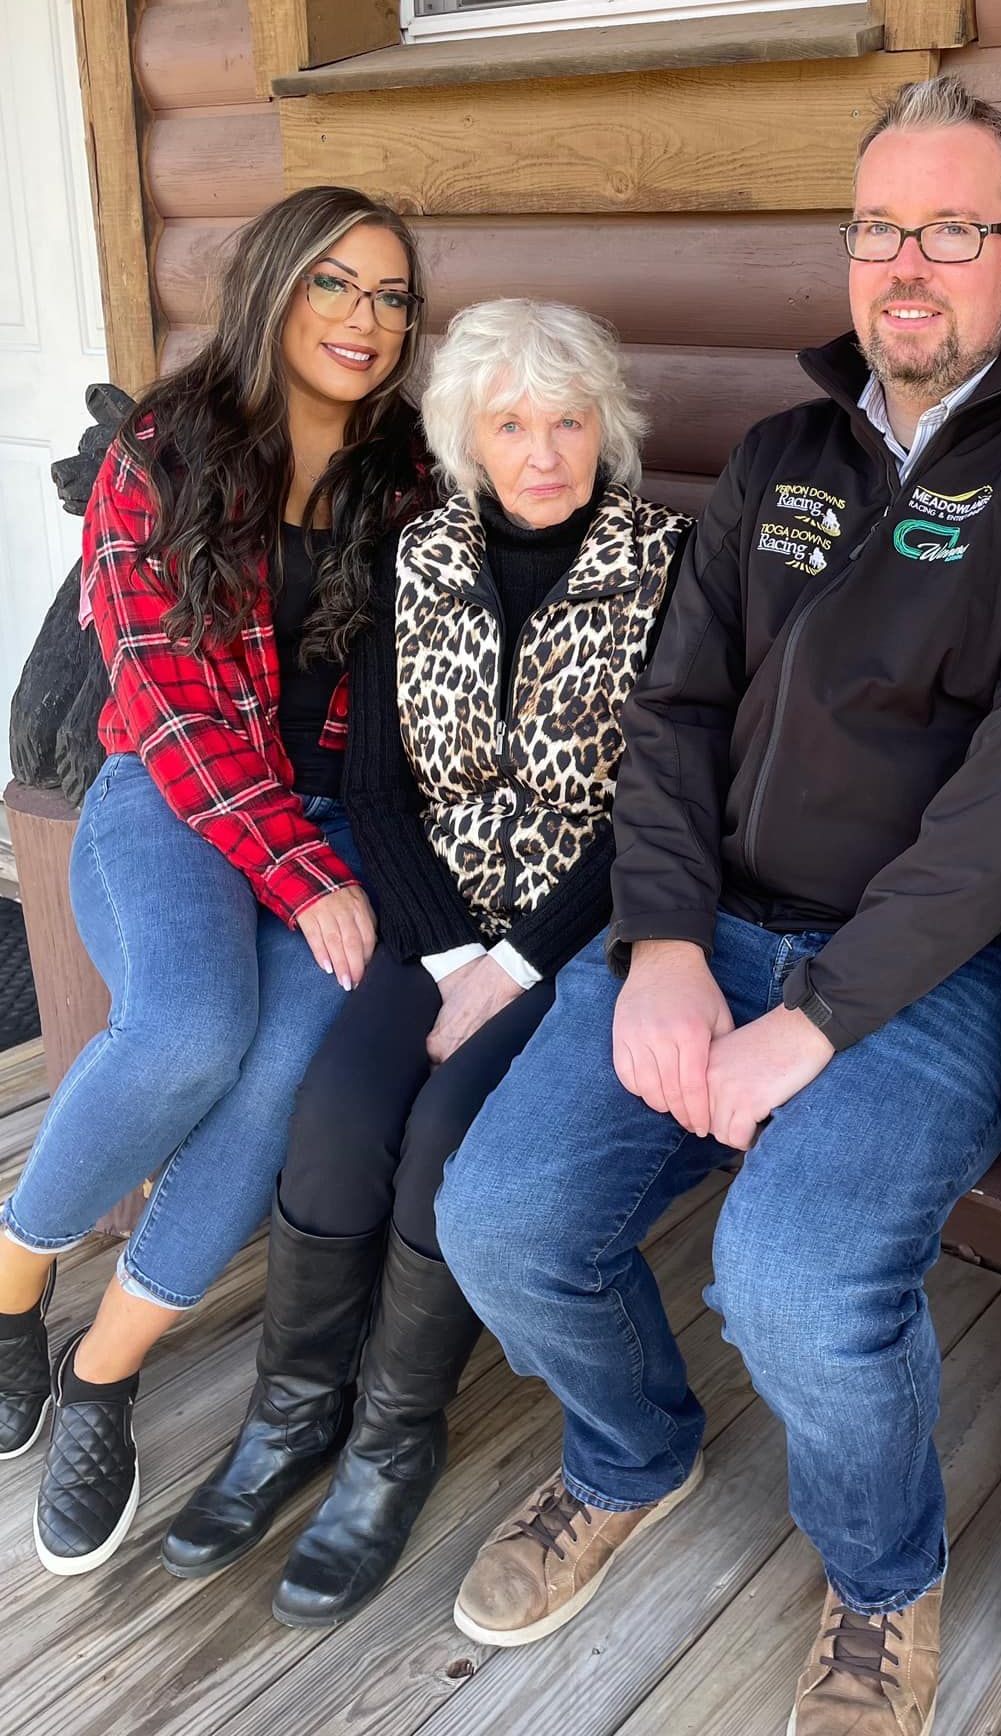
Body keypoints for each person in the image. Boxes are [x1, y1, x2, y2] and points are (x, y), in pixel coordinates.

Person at [435, 79, 1001, 1730]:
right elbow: (674, 718)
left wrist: (821, 1017)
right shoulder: (782, 455)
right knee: (501, 1218)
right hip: (710, 923)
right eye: (877, 229)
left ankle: (882, 1580)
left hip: (925, 970)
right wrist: (664, 947)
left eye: (950, 230)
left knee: (790, 1278)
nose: (907, 263)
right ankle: (629, 1456)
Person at [163, 300, 691, 1626]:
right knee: (340, 1113)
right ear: (466, 438)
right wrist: (452, 949)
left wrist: (512, 966)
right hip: (434, 915)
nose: (543, 451)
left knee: (444, 1138)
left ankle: (395, 1440)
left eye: (568, 420)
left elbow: (658, 808)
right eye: (510, 424)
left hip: (574, 935)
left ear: (607, 427)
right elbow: (377, 790)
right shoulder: (421, 557)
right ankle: (294, 1414)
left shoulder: (669, 567)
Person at [0, 186, 428, 1577]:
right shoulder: (162, 453)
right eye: (335, 283)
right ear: (272, 286)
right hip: (175, 798)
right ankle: (10, 1290)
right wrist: (298, 874)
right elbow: (174, 702)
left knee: (274, 1076)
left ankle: (101, 1378)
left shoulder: (407, 477)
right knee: (188, 1030)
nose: (366, 318)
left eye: (391, 297)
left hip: (338, 832)